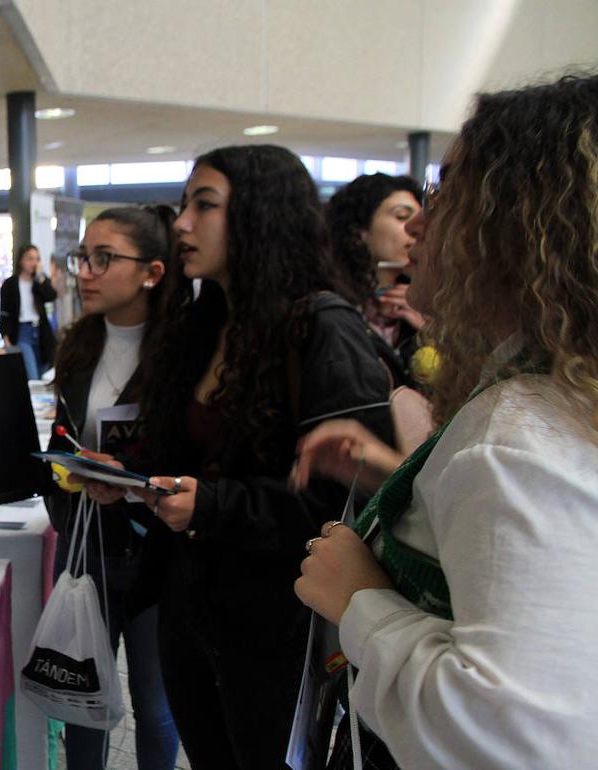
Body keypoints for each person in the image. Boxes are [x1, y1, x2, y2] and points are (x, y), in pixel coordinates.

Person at [294, 72, 598, 769]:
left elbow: (516, 736)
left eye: (448, 189)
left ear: (521, 219)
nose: (420, 223)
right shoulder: (556, 395)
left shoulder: (518, 435)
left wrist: (362, 601)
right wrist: (397, 477)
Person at [104, 145, 394, 769]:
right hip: (192, 614)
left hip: (277, 625)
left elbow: (344, 500)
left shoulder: (320, 328)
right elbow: (193, 461)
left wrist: (210, 505)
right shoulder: (206, 324)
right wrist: (130, 480)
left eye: (203, 205)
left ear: (262, 214)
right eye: (184, 205)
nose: (181, 222)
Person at [46, 206, 180, 770]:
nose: (87, 272)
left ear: (151, 272)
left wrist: (127, 481)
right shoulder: (78, 344)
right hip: (85, 551)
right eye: (84, 258)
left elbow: (194, 458)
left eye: (105, 259)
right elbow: (60, 435)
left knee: (155, 706)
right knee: (82, 702)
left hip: (154, 555)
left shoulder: (183, 353)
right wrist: (66, 472)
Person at [327, 173, 428, 387]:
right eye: (401, 217)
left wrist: (429, 331)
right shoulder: (332, 304)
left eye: (421, 218)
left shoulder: (428, 305)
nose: (414, 229)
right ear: (359, 230)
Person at [0, 243, 57, 379]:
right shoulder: (10, 284)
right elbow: (4, 313)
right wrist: (6, 339)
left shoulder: (39, 281)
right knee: (32, 376)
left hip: (41, 331)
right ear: (21, 260)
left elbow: (51, 296)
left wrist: (40, 276)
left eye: (37, 259)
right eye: (30, 258)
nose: (34, 263)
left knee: (43, 373)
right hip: (22, 332)